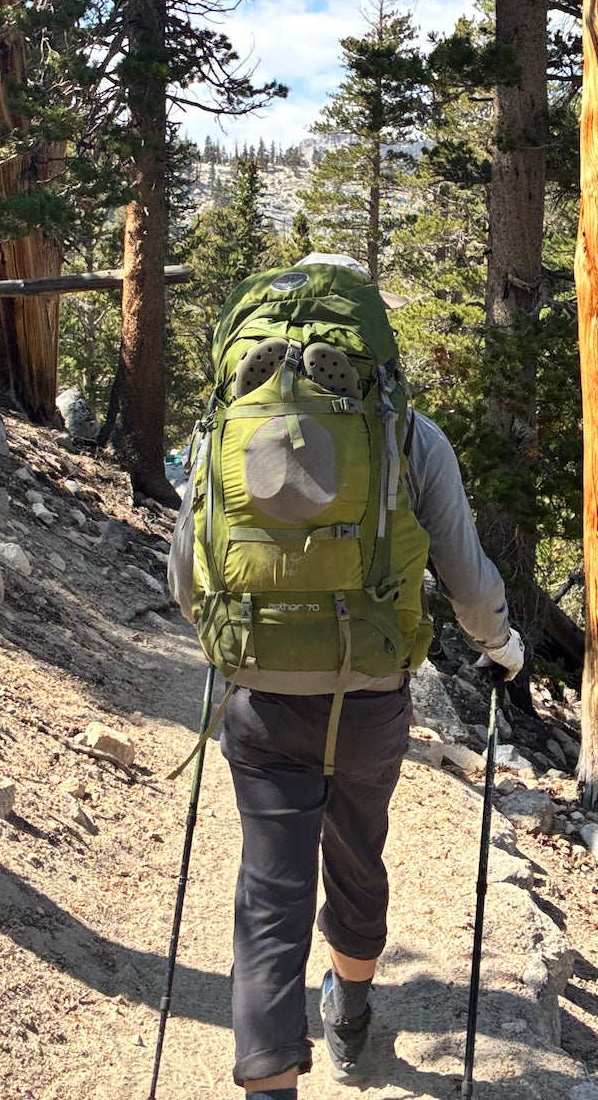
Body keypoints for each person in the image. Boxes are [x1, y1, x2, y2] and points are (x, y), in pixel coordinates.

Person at [168, 253, 525, 1094]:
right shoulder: (409, 434)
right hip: (369, 695)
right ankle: (351, 1020)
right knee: (358, 854)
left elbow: (185, 578)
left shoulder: (224, 428)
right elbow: (469, 582)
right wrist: (502, 648)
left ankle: (269, 1081)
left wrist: (240, 635)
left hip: (260, 694)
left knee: (269, 888)